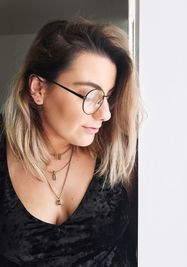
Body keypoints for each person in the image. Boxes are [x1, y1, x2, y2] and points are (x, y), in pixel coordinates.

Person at [0, 18, 143, 266]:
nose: (105, 114)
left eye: (107, 96)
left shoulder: (118, 150)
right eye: (90, 95)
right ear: (38, 89)